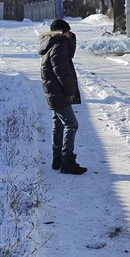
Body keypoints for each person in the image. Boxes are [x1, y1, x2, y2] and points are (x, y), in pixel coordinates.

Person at [39, 19, 87, 175]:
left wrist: (69, 40)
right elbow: (62, 73)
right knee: (71, 124)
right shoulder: (58, 46)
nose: (70, 34)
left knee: (58, 123)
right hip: (59, 92)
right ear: (61, 32)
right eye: (68, 31)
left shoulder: (53, 44)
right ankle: (67, 161)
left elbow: (68, 58)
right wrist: (70, 92)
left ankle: (57, 158)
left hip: (53, 92)